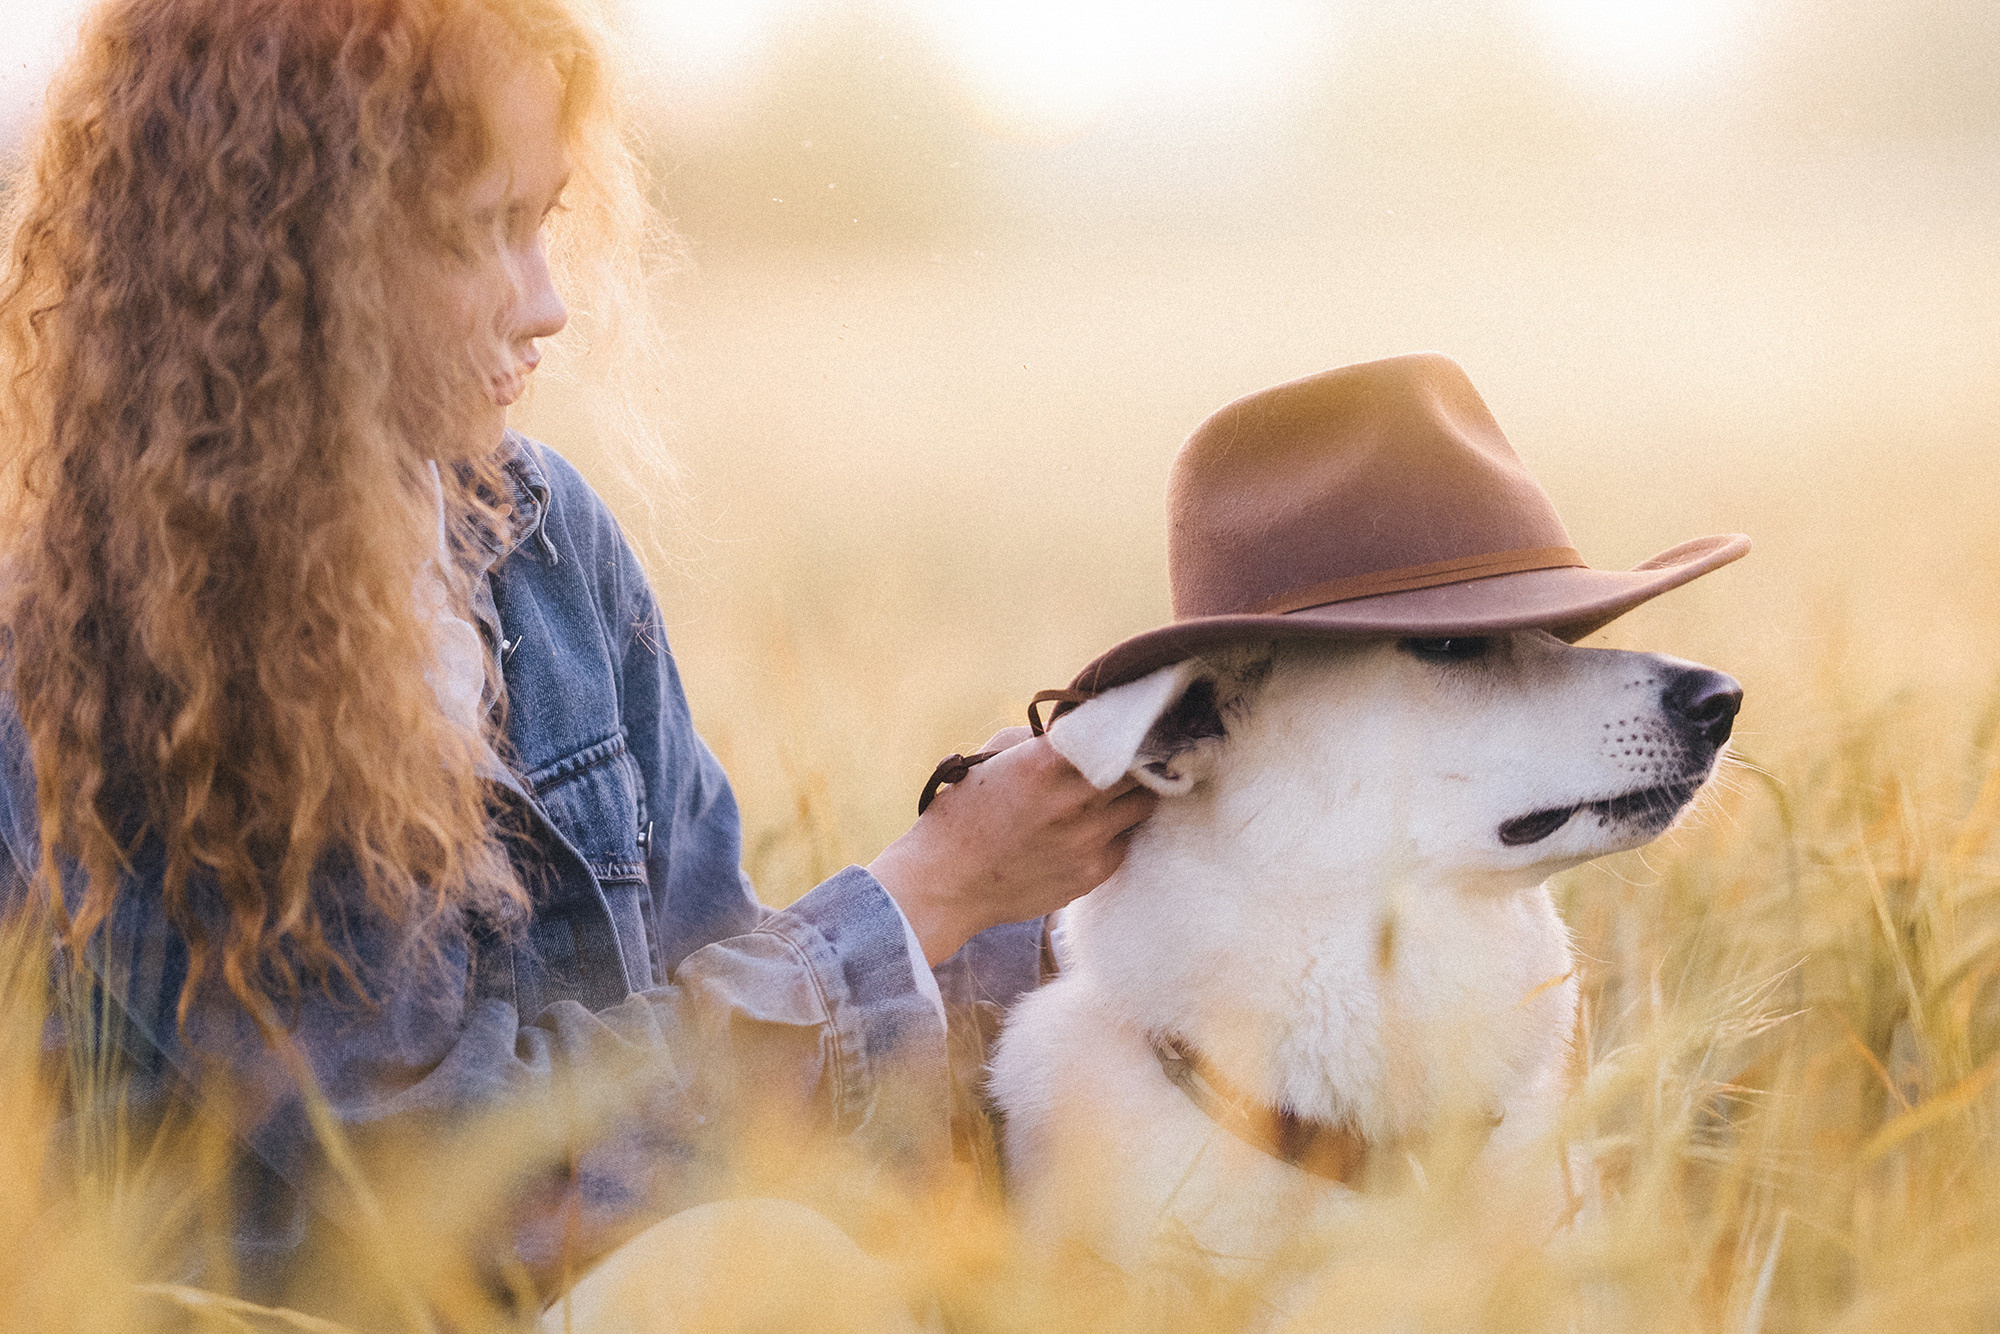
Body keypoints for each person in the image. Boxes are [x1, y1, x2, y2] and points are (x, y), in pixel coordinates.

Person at [0, 0, 1152, 1315]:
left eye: (540, 220)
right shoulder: (119, 659)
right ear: (285, 262)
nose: (545, 302)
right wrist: (926, 892)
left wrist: (1042, 900)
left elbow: (727, 1021)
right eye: (472, 233)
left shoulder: (541, 542)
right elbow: (474, 1195)